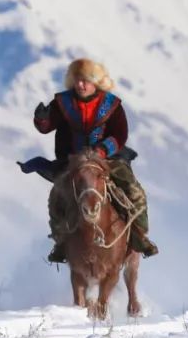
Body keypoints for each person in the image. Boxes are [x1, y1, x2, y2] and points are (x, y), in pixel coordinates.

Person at [29, 58, 159, 263]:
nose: (81, 85)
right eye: (78, 80)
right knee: (57, 196)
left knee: (135, 192)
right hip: (71, 161)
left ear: (96, 82)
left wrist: (102, 149)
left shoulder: (112, 105)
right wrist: (42, 119)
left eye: (86, 80)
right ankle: (61, 242)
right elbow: (46, 127)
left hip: (107, 159)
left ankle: (138, 236)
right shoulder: (62, 103)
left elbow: (120, 135)